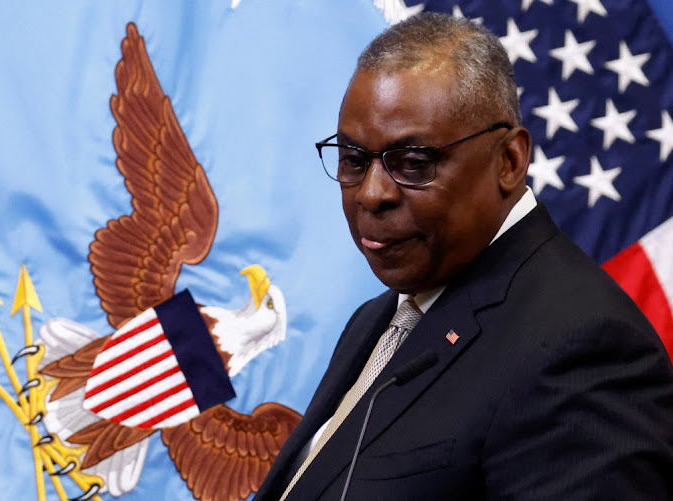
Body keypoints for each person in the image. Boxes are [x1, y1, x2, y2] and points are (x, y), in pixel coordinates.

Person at [254, 11, 673, 501]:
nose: (371, 194)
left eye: (413, 163)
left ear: (510, 161)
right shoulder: (381, 317)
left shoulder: (580, 347)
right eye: (353, 159)